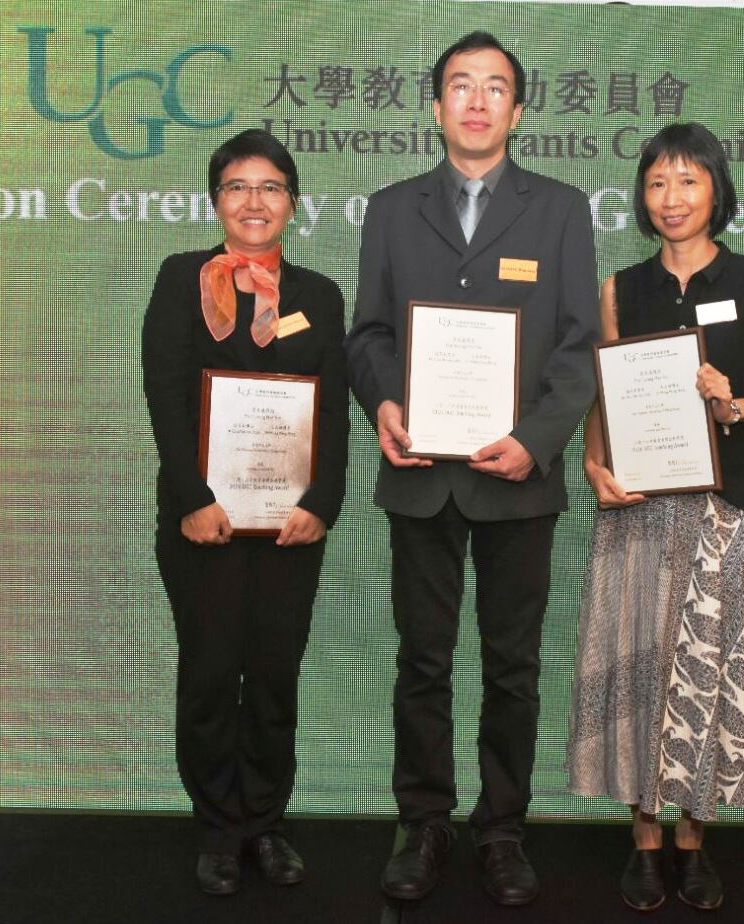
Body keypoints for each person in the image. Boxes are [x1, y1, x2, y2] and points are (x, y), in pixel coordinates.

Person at [345, 30, 600, 907]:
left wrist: (535, 438)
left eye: (495, 87)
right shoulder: (389, 208)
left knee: (511, 665)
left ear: (518, 110)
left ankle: (501, 829)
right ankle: (422, 822)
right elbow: (368, 334)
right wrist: (380, 400)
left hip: (517, 477)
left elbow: (578, 348)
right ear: (435, 105)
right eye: (461, 85)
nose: (478, 100)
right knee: (420, 661)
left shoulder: (561, 209)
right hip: (420, 473)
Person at [565, 122, 744, 912]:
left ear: (716, 190)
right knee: (640, 670)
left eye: (688, 181)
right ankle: (641, 838)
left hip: (727, 502)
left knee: (708, 668)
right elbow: (603, 391)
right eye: (657, 182)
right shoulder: (621, 288)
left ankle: (694, 841)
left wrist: (729, 404)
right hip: (639, 504)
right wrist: (594, 464)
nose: (671, 198)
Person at [141, 128, 348, 897]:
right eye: (237, 187)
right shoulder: (178, 279)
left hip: (291, 527)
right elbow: (164, 393)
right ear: (215, 201)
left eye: (270, 187)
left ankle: (264, 823)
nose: (253, 201)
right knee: (208, 674)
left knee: (272, 677)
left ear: (292, 203)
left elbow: (332, 413)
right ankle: (218, 830)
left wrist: (321, 505)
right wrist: (193, 499)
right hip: (202, 523)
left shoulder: (319, 295)